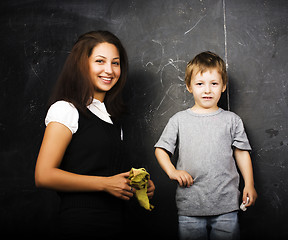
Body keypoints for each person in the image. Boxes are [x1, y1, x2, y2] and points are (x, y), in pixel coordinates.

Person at [35, 30, 155, 239]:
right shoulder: (65, 109)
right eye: (100, 61)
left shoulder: (111, 117)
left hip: (116, 222)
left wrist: (135, 185)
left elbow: (105, 170)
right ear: (82, 64)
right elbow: (44, 175)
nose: (109, 70)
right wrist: (105, 184)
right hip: (81, 224)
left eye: (115, 63)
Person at [154, 51, 257, 240]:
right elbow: (161, 149)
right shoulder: (179, 120)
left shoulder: (232, 120)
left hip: (226, 205)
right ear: (189, 86)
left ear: (223, 86)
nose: (207, 90)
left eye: (214, 84)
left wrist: (249, 184)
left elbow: (242, 153)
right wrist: (172, 171)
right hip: (190, 207)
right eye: (200, 84)